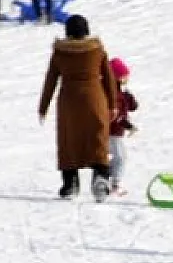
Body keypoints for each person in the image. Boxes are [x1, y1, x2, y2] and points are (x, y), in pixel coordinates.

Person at [37, 13, 118, 201]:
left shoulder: (60, 52)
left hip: (69, 102)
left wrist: (43, 106)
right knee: (97, 137)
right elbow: (109, 78)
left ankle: (70, 183)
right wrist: (113, 104)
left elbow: (50, 80)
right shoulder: (97, 50)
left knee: (69, 140)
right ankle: (100, 178)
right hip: (95, 99)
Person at [106, 57, 138, 197]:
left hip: (115, 132)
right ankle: (114, 185)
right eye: (124, 76)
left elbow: (132, 107)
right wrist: (129, 126)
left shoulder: (120, 93)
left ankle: (106, 178)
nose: (127, 78)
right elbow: (116, 117)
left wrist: (129, 97)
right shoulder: (113, 95)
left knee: (118, 157)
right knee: (120, 158)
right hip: (112, 132)